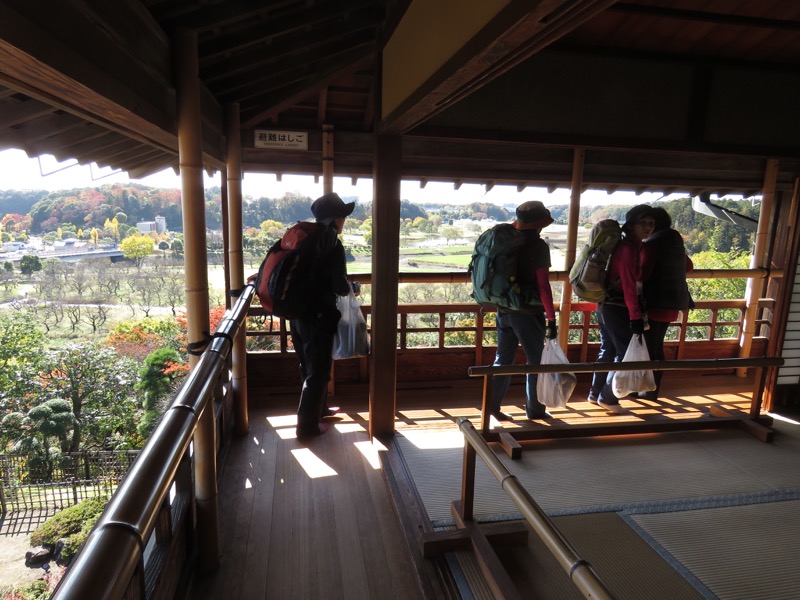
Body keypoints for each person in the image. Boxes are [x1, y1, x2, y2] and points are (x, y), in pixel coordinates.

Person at [289, 192, 354, 437]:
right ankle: (307, 428)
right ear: (337, 218)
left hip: (297, 314)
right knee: (318, 371)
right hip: (318, 315)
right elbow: (339, 286)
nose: (344, 221)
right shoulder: (331, 243)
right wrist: (351, 287)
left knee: (308, 365)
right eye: (343, 216)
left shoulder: (306, 237)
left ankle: (320, 409)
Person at [490, 201, 558, 422]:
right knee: (535, 361)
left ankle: (491, 406)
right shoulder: (538, 246)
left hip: (504, 307)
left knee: (503, 358)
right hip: (527, 311)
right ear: (539, 224)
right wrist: (551, 316)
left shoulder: (508, 240)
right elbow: (543, 285)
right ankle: (535, 410)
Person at [590, 204, 655, 414]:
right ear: (632, 224)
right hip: (617, 306)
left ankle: (595, 393)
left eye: (651, 224)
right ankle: (607, 397)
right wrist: (635, 316)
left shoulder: (628, 246)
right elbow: (629, 284)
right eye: (643, 223)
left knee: (607, 350)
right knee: (623, 353)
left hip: (606, 305)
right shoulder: (628, 249)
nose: (648, 228)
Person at [640, 207, 693, 400]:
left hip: (656, 302)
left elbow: (643, 272)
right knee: (657, 345)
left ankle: (650, 390)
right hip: (675, 301)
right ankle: (651, 388)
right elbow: (689, 266)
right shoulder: (675, 242)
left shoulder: (653, 244)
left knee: (651, 347)